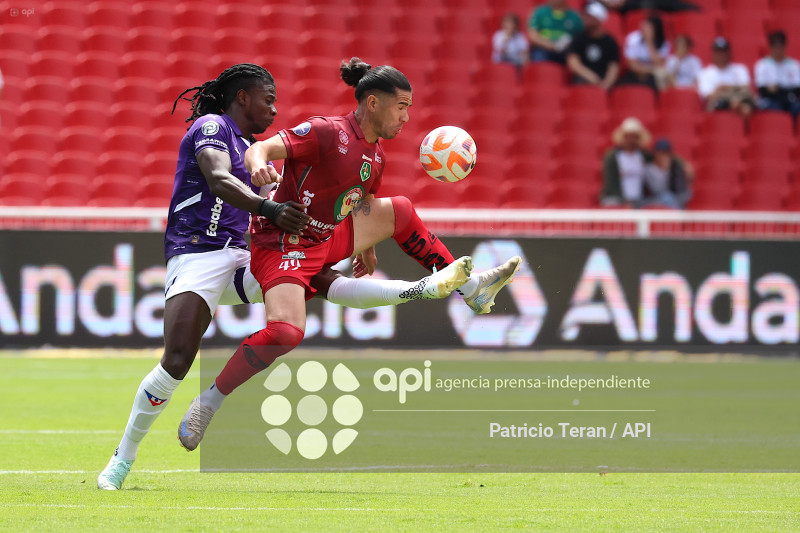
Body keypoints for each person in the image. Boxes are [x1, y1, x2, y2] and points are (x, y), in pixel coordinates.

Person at [96, 64, 480, 490]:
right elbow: (220, 179)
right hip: (197, 255)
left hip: (246, 253)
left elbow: (353, 194)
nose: (274, 109)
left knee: (320, 281)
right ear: (242, 97)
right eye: (268, 99)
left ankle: (428, 288)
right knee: (177, 360)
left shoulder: (262, 144)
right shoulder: (213, 127)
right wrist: (272, 209)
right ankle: (122, 459)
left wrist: (357, 241)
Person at [177, 58, 522, 452]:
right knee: (286, 332)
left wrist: (367, 245)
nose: (407, 118)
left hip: (330, 236)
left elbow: (360, 199)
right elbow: (263, 148)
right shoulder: (327, 131)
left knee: (402, 210)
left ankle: (472, 288)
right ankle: (210, 400)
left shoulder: (377, 157)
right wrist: (257, 169)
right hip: (284, 240)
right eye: (402, 107)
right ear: (373, 103)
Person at [697, 37, 756, 118]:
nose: (721, 55)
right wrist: (731, 91)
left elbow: (746, 90)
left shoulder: (740, 69)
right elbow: (708, 96)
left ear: (728, 53)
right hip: (718, 106)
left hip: (740, 102)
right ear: (713, 54)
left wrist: (722, 89)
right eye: (718, 52)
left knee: (746, 106)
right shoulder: (705, 73)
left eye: (723, 52)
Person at [566, 2, 621, 90]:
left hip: (603, 79)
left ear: (598, 19)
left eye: (589, 16)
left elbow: (613, 67)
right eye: (585, 15)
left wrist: (606, 84)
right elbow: (573, 62)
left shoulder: (610, 42)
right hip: (584, 78)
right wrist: (591, 77)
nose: (585, 18)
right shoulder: (579, 38)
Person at [600, 117, 651, 206]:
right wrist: (624, 201)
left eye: (634, 137)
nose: (631, 140)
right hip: (617, 198)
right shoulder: (612, 157)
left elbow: (665, 158)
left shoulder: (644, 156)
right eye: (628, 137)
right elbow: (610, 182)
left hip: (639, 199)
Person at [754, 30, 800, 118]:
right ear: (770, 47)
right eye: (775, 46)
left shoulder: (794, 65)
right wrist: (782, 89)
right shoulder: (762, 64)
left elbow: (797, 89)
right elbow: (762, 90)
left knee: (796, 107)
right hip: (771, 100)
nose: (778, 49)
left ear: (784, 46)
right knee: (774, 108)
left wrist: (777, 89)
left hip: (789, 100)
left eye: (780, 46)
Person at [640, 138, 692, 209]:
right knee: (667, 197)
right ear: (655, 153)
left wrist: (689, 179)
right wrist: (665, 170)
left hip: (673, 200)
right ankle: (678, 217)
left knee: (673, 198)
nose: (664, 155)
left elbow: (685, 193)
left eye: (667, 152)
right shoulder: (648, 169)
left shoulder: (676, 167)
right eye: (662, 152)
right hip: (651, 200)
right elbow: (657, 190)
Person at [620, 15, 670, 89]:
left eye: (648, 27)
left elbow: (660, 63)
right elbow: (633, 65)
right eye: (644, 25)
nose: (644, 29)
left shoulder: (664, 44)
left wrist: (649, 42)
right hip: (635, 74)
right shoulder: (633, 38)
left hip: (653, 77)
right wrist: (652, 69)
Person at [528, 0, 584, 64]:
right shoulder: (539, 12)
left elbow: (580, 38)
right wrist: (551, 45)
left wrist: (568, 44)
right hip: (543, 49)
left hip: (565, 51)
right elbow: (533, 34)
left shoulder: (574, 16)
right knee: (538, 57)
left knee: (575, 58)